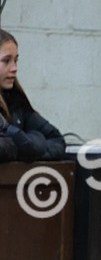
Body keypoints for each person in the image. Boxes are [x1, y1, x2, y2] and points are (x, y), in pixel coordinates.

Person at [0, 30, 66, 163]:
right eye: (6, 61)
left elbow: (56, 140)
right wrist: (25, 143)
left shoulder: (16, 102)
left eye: (16, 60)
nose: (14, 68)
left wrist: (30, 148)